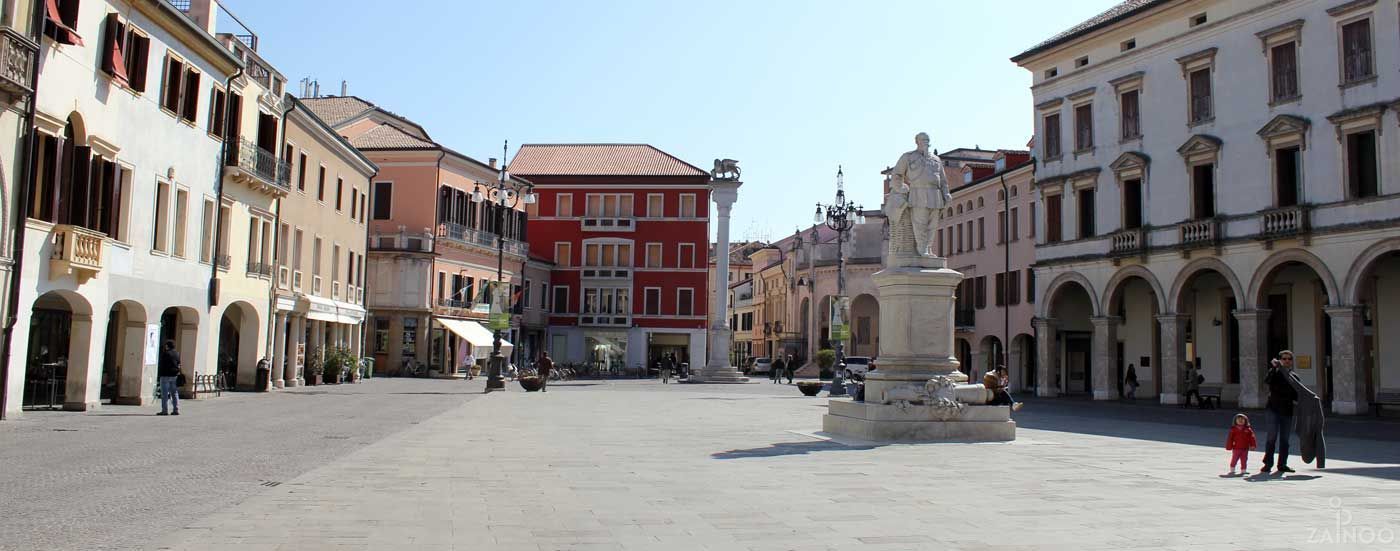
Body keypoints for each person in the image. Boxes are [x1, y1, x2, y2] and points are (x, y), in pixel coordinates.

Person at [1260, 351, 1299, 475]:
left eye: (1289, 359)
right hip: (1273, 409)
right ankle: (1267, 464)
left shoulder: (1294, 376)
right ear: (1280, 360)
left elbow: (1297, 395)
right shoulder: (1275, 373)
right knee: (1271, 437)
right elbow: (1267, 381)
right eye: (1284, 358)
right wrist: (1274, 368)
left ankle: (1282, 464)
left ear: (1292, 361)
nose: (1287, 360)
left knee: (1285, 439)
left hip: (1287, 410)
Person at [157, 340, 181, 416]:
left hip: (165, 375)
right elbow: (178, 363)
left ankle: (164, 410)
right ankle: (176, 410)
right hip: (174, 376)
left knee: (164, 394)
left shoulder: (166, 354)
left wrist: (159, 374)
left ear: (167, 346)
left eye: (166, 345)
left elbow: (162, 364)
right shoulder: (177, 354)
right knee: (174, 393)